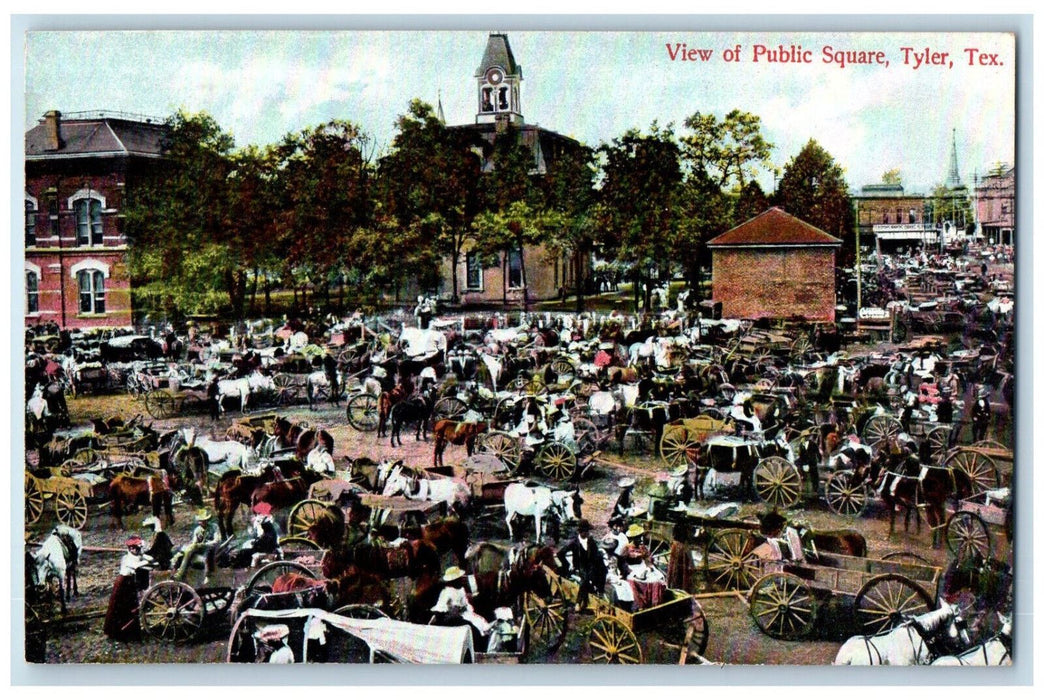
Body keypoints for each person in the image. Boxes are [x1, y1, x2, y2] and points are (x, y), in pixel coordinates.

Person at [103, 535, 155, 640]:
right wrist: (146, 561)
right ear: (129, 549)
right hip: (122, 584)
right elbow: (136, 566)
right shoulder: (126, 558)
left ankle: (131, 631)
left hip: (130, 583)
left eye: (136, 548)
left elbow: (150, 558)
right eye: (131, 548)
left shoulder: (137, 555)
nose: (133, 550)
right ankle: (117, 632)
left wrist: (146, 558)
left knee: (132, 606)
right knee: (120, 607)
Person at [556, 519, 607, 612]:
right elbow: (560, 553)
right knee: (586, 578)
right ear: (580, 532)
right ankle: (578, 602)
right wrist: (567, 564)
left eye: (588, 531)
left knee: (603, 571)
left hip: (591, 564)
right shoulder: (574, 543)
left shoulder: (591, 541)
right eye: (585, 531)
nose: (587, 533)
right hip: (580, 565)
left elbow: (596, 554)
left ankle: (600, 591)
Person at [430, 566, 492, 638]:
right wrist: (450, 611)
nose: (461, 580)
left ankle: (484, 635)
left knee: (479, 621)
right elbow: (441, 606)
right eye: (459, 579)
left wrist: (469, 609)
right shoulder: (447, 591)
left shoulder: (461, 589)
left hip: (465, 613)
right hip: (455, 616)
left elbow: (466, 603)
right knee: (471, 625)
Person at [173, 509, 221, 584]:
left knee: (192, 549)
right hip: (200, 550)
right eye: (201, 521)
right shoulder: (197, 530)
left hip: (210, 549)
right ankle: (179, 571)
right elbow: (194, 542)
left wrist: (205, 544)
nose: (202, 522)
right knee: (187, 549)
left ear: (207, 520)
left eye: (204, 520)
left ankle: (180, 574)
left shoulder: (213, 527)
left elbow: (217, 540)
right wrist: (197, 545)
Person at [238, 502, 281, 568]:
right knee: (244, 552)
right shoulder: (269, 531)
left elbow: (263, 543)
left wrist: (255, 543)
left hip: (268, 551)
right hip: (265, 549)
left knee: (244, 553)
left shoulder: (269, 533)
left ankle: (246, 568)